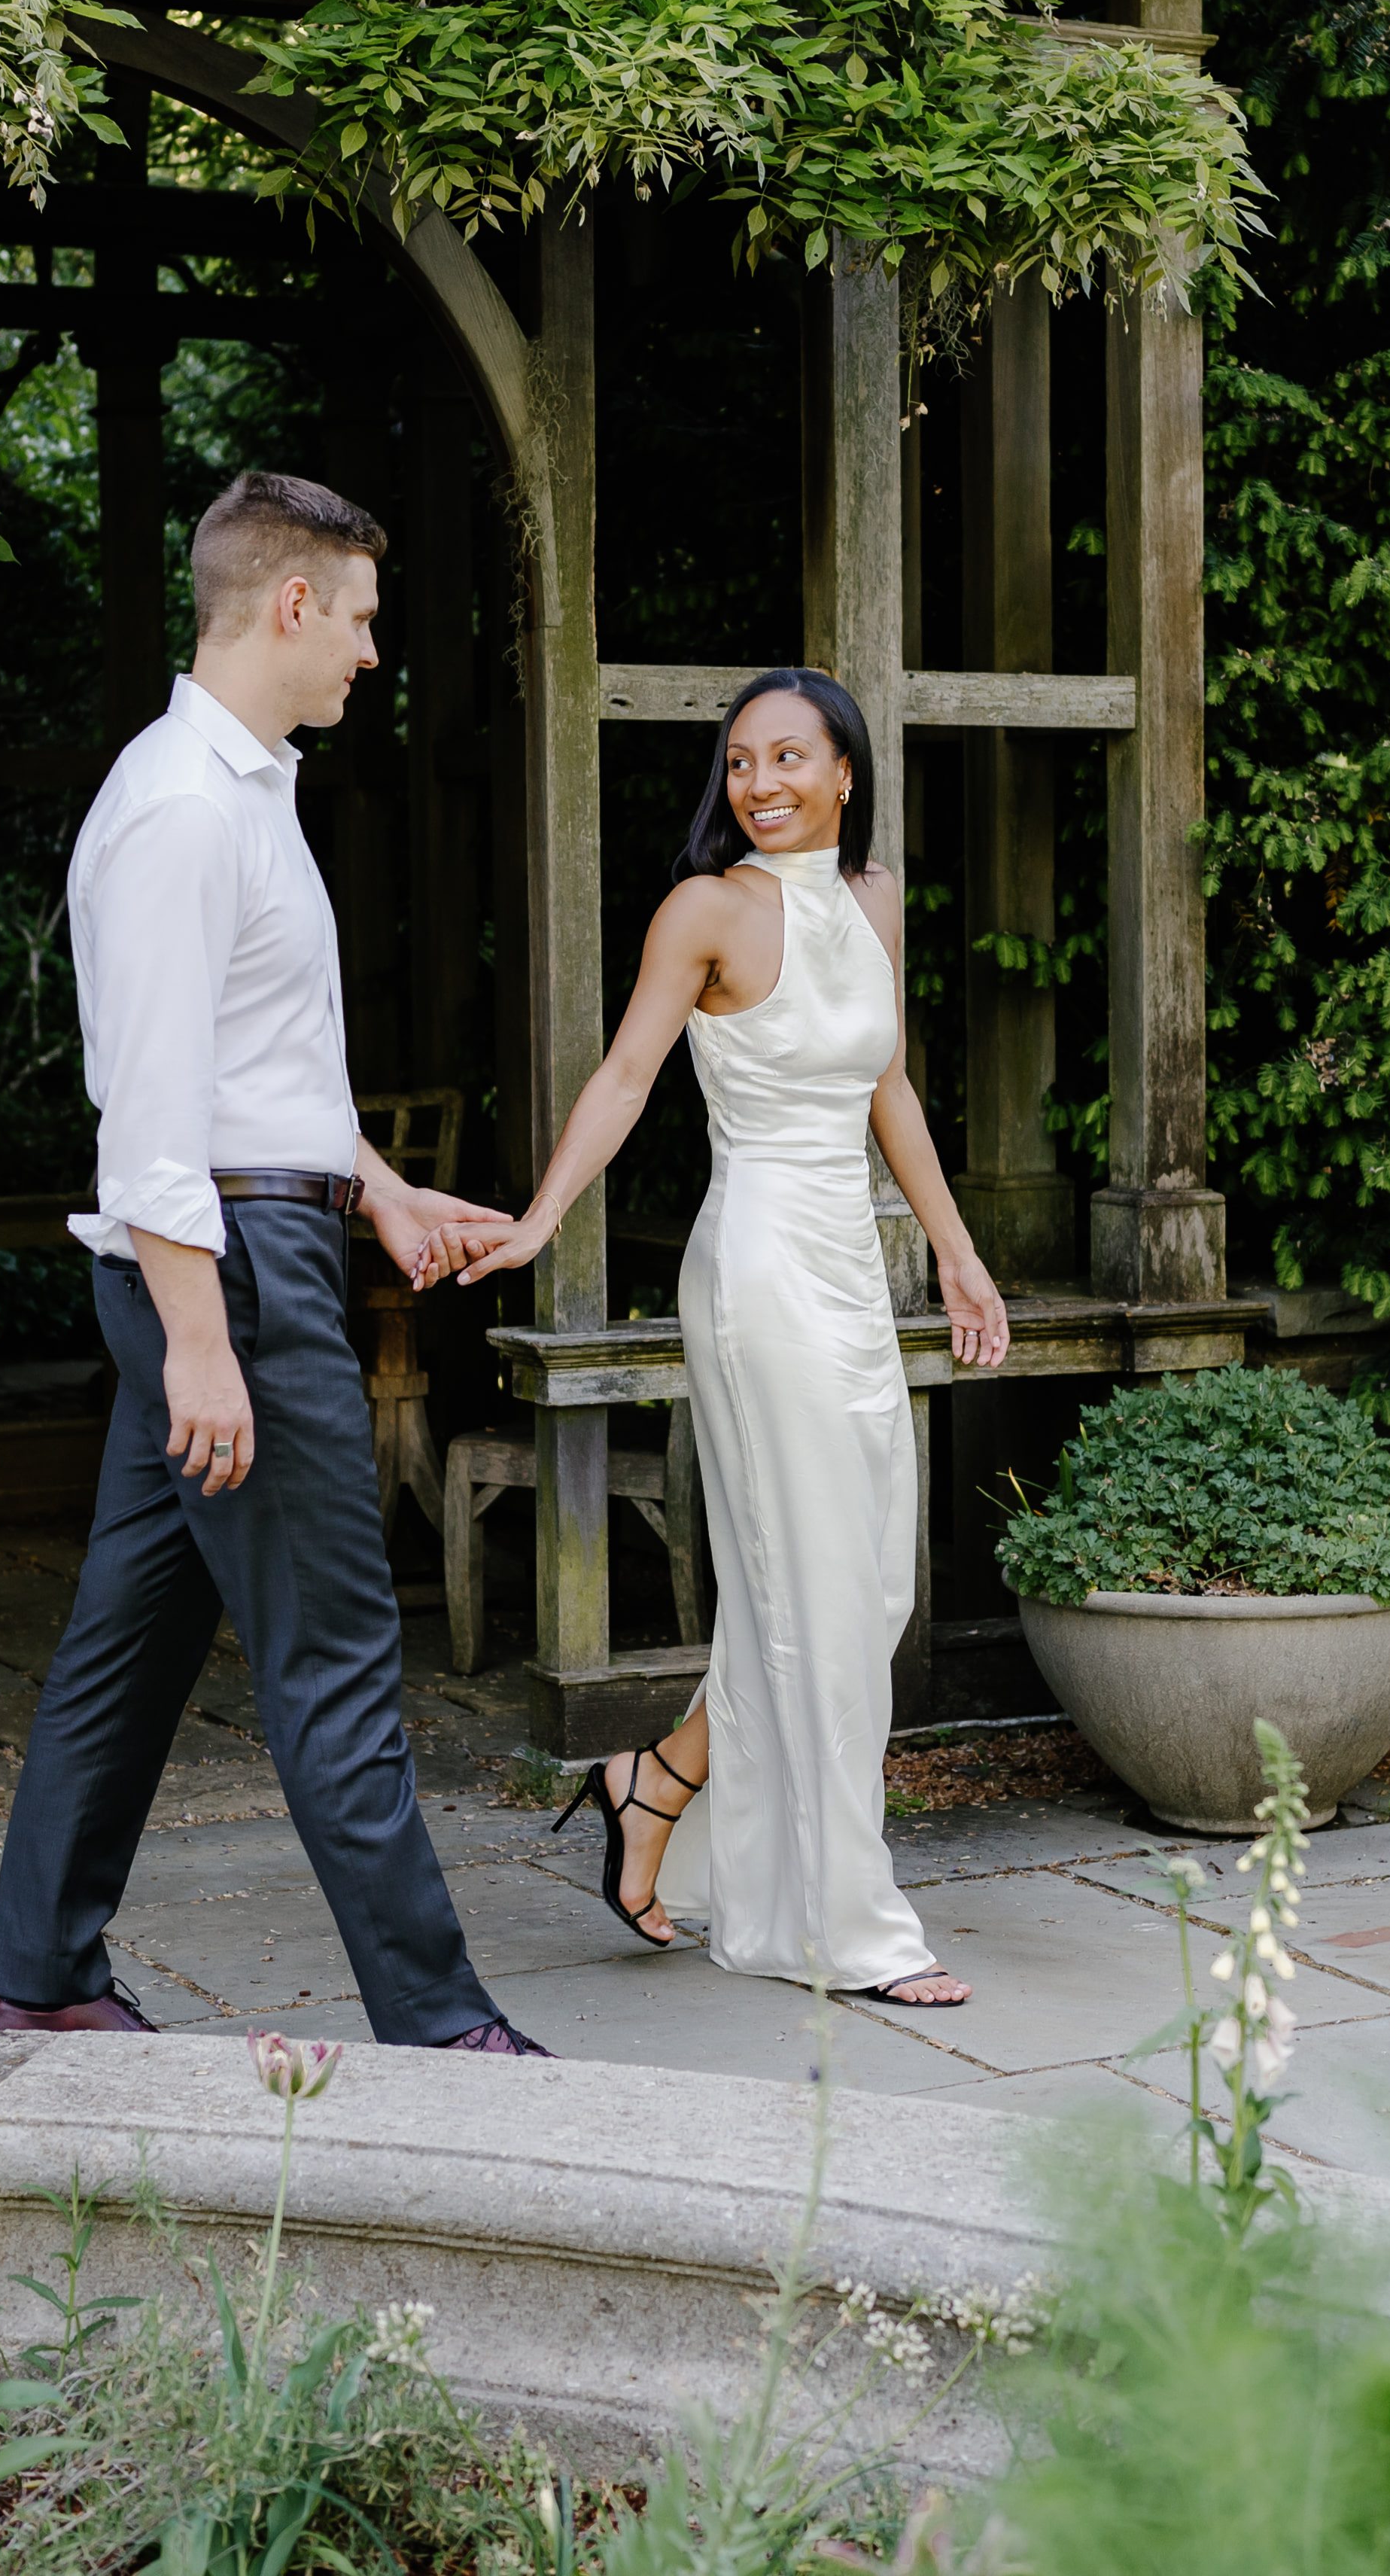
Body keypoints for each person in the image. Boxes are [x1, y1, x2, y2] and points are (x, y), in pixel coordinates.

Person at [0, 469, 549, 2055]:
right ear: (291, 603)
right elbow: (154, 1118)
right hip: (219, 1268)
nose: (375, 650)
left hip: (248, 1242)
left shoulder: (242, 792)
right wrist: (204, 1343)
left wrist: (379, 1193)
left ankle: (40, 1978)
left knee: (131, 1633)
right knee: (339, 1649)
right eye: (363, 618)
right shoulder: (175, 808)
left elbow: (256, 1069)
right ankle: (444, 2031)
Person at [448, 668, 1011, 2008]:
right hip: (756, 1267)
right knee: (811, 1588)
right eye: (740, 764)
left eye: (788, 760)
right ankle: (853, 1930)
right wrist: (536, 1223)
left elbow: (890, 1088)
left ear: (846, 773)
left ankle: (660, 1779)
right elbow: (629, 1074)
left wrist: (959, 1249)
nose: (759, 785)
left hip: (851, 1272)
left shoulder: (871, 899)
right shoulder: (705, 910)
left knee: (861, 1587)